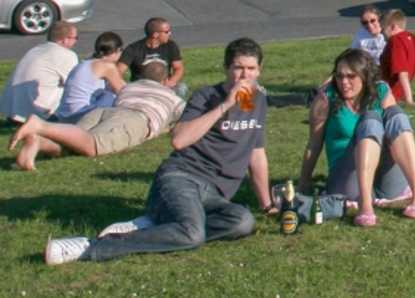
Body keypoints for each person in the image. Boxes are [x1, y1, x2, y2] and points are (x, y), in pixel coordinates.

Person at [46, 38, 274, 266]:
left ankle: (159, 226)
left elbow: (256, 153)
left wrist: (267, 205)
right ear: (227, 68)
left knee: (242, 221)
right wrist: (225, 105)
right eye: (238, 68)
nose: (244, 75)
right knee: (192, 234)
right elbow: (179, 140)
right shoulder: (206, 97)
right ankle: (90, 246)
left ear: (259, 71)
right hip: (182, 178)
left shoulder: (259, 100)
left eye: (251, 69)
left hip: (215, 193)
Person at [298, 49, 415, 227]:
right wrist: (304, 182)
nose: (344, 82)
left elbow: (396, 131)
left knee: (395, 114)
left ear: (365, 76)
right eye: (339, 76)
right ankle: (365, 205)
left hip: (382, 175)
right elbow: (314, 144)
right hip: (346, 176)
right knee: (370, 120)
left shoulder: (381, 90)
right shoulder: (326, 98)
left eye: (351, 76)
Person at [10, 60, 186, 170]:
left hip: (106, 112)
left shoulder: (130, 87)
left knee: (72, 144)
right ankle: (40, 126)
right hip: (133, 118)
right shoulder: (173, 98)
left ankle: (38, 142)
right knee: (92, 146)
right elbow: (184, 119)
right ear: (165, 81)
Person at [1, 20, 79, 123]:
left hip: (11, 111)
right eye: (75, 38)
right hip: (35, 115)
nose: (76, 41)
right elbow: (77, 85)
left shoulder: (35, 50)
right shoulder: (67, 55)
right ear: (65, 39)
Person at [54, 31, 126, 123]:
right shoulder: (107, 66)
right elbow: (123, 90)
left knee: (106, 93)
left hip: (63, 114)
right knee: (112, 96)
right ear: (118, 50)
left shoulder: (87, 61)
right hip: (78, 115)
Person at [119, 18, 186, 96]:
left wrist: (171, 82)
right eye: (167, 32)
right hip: (141, 87)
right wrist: (128, 87)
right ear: (155, 34)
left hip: (164, 85)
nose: (170, 33)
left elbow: (178, 68)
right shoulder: (133, 49)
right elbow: (118, 71)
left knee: (181, 88)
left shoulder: (171, 45)